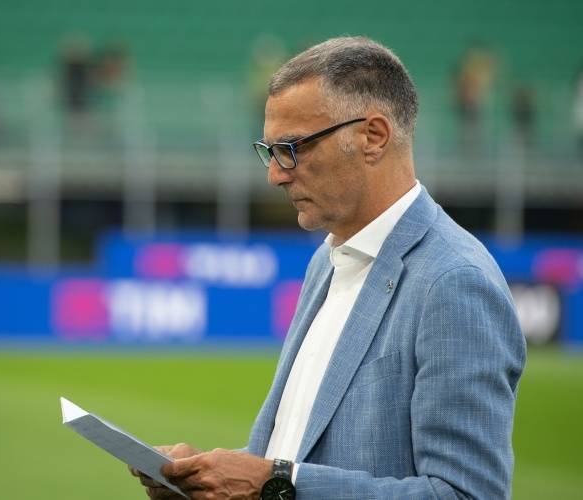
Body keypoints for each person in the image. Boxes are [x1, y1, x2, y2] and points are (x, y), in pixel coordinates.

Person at [131, 36, 526, 500]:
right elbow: (299, 455)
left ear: (372, 137)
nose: (275, 174)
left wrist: (273, 485)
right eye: (269, 150)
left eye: (293, 147)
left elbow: (465, 494)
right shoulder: (328, 259)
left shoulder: (454, 282)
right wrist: (208, 480)